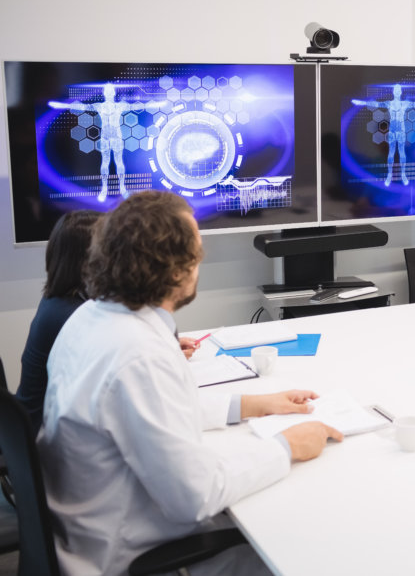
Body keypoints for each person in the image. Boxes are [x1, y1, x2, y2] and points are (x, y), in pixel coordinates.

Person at [39, 191, 343, 576]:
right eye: (196, 252)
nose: (200, 262)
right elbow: (195, 497)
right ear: (174, 269)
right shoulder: (138, 355)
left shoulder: (91, 320)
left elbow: (150, 413)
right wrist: (286, 446)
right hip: (136, 557)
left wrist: (252, 404)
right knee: (310, 548)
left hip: (99, 526)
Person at [14, 210, 101, 432]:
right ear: (88, 257)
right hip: (45, 437)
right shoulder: (73, 314)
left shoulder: (59, 299)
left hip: (38, 423)